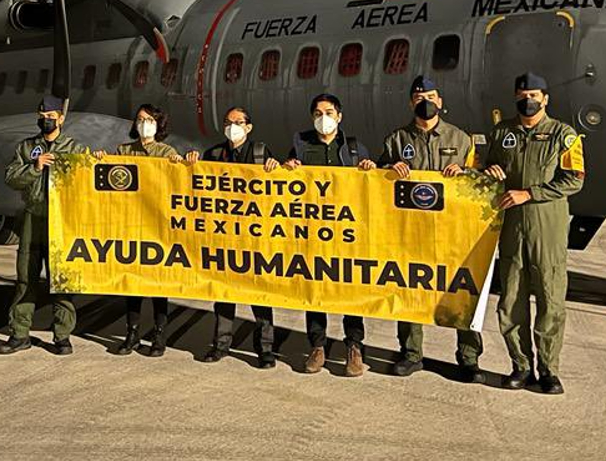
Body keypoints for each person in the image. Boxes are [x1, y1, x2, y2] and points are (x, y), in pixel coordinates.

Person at [368, 76, 484, 383]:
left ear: (441, 102)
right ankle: (410, 353)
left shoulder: (461, 140)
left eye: (431, 96)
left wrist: (467, 171)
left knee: (461, 290)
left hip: (453, 232)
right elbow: (376, 183)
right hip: (412, 231)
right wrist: (388, 170)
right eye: (420, 97)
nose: (426, 102)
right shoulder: (396, 140)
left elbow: (481, 181)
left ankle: (468, 357)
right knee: (408, 288)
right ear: (411, 103)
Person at [484, 72, 585, 395]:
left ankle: (549, 370)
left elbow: (574, 179)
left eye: (535, 95)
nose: (529, 100)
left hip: (547, 227)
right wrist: (491, 173)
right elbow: (489, 169)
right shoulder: (502, 132)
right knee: (511, 300)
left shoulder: (564, 135)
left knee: (550, 299)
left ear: (546, 99)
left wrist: (530, 193)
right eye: (523, 94)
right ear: (516, 97)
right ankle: (521, 366)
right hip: (512, 227)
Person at [283, 94, 372, 377]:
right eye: (319, 112)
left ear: (340, 116)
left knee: (350, 288)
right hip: (313, 230)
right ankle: (318, 346)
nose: (324, 117)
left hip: (347, 232)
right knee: (315, 289)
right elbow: (286, 183)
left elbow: (371, 191)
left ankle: (354, 347)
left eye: (330, 112)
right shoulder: (301, 145)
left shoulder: (356, 149)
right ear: (312, 117)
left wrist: (370, 171)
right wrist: (288, 168)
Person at [187, 106, 281, 369]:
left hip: (254, 235)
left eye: (239, 122)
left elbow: (277, 187)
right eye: (229, 122)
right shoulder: (214, 154)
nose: (233, 127)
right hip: (224, 234)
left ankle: (265, 349)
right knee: (224, 293)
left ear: (249, 127)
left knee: (259, 294)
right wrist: (192, 164)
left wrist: (276, 168)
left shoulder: (261, 153)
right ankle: (221, 345)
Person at [0, 95, 89, 355]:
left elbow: (87, 178)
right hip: (32, 217)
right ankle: (20, 333)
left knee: (61, 278)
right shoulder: (27, 148)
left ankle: (62, 336)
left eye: (50, 117)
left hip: (62, 221)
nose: (46, 121)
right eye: (42, 116)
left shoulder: (74, 148)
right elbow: (11, 177)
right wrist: (35, 167)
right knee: (26, 277)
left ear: (61, 118)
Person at [93, 104, 183, 357]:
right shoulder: (123, 151)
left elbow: (177, 185)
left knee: (156, 287)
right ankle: (132, 334)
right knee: (132, 285)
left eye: (150, 119)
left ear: (158, 124)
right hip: (131, 226)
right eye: (141, 119)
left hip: (157, 227)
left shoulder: (166, 152)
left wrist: (178, 164)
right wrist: (102, 160)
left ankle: (158, 336)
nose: (144, 123)